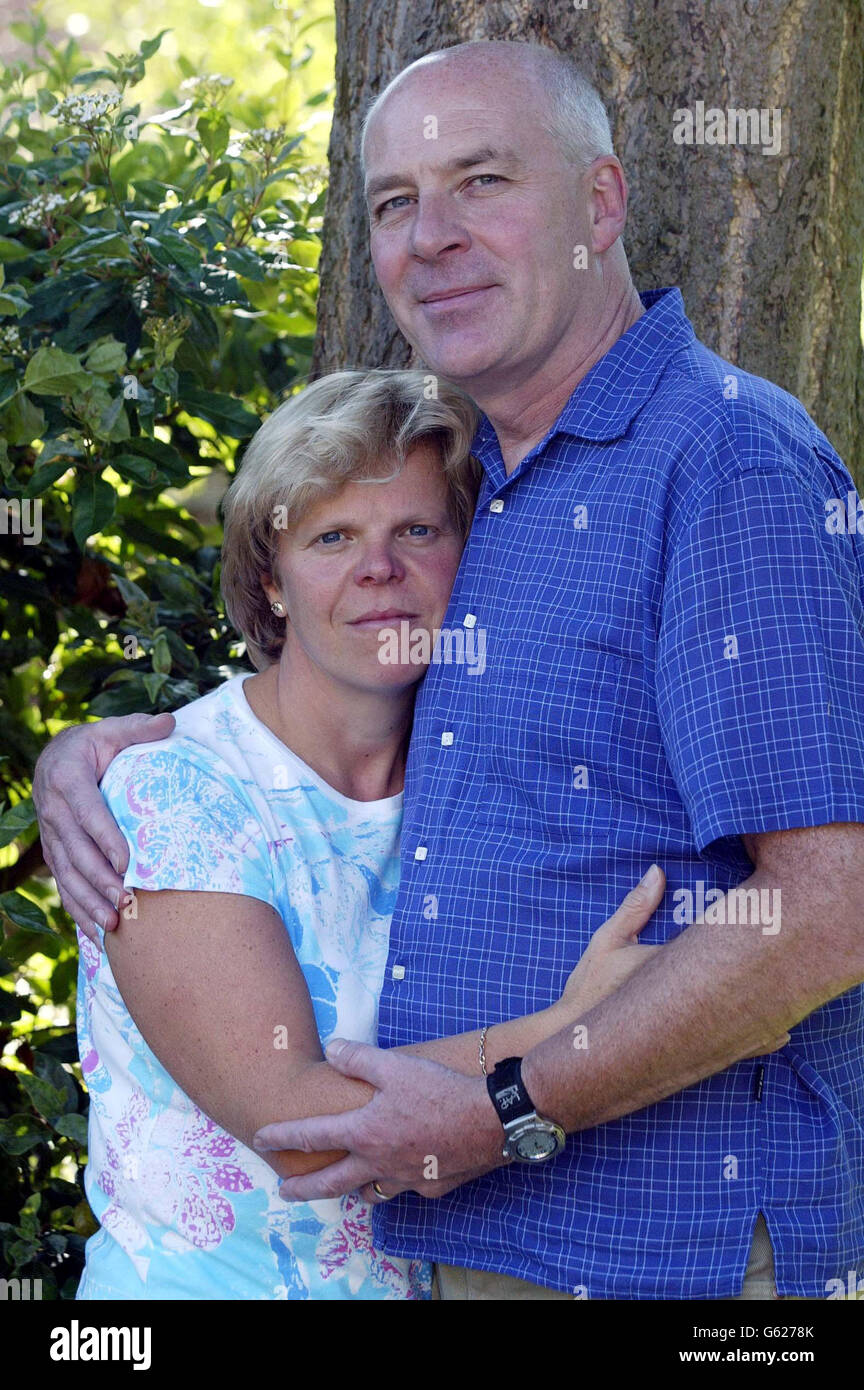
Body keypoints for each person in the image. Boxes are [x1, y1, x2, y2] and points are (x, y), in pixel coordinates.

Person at [35, 41, 864, 1301]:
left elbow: (833, 898)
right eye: (394, 202)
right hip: (489, 1250)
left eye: (482, 182)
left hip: (676, 1256)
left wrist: (511, 1102)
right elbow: (326, 693)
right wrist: (106, 747)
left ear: (600, 204)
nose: (432, 237)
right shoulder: (508, 488)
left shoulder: (723, 460)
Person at [69, 367, 674, 1299]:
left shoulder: (480, 777)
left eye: (418, 531)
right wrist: (576, 1035)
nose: (379, 570)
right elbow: (298, 1129)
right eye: (332, 537)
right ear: (269, 582)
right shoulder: (180, 792)